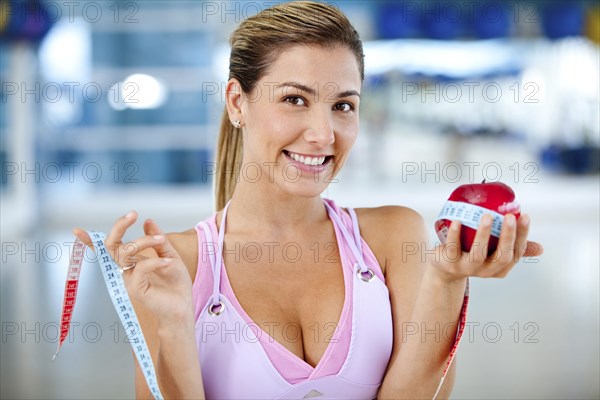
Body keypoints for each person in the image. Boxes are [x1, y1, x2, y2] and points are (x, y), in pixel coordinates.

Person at [74, 2, 543, 399]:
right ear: (238, 102)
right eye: (295, 100)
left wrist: (445, 281)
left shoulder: (392, 236)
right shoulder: (174, 265)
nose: (323, 135)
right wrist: (175, 325)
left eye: (343, 105)